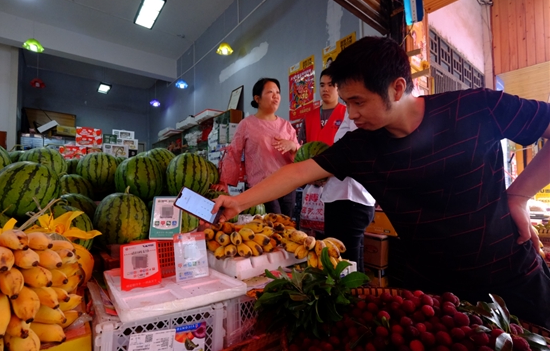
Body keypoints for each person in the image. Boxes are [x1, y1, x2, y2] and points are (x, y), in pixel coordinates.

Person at [212, 36, 550, 328]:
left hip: (509, 278)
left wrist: (518, 195)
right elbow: (299, 171)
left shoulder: (475, 108)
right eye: (347, 103)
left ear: (397, 87)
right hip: (434, 292)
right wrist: (239, 202)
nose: (352, 114)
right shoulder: (363, 145)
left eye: (359, 102)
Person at [299, 69, 376, 272]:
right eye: (322, 85)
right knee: (343, 257)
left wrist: (319, 172)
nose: (327, 89)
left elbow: (349, 159)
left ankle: (349, 298)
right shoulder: (336, 116)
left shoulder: (357, 116)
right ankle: (350, 296)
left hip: (350, 199)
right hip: (337, 197)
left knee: (343, 261)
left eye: (332, 85)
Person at [215, 77, 300, 217]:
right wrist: (223, 182)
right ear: (257, 98)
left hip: (287, 186)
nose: (276, 96)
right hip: (261, 187)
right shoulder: (246, 124)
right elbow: (233, 154)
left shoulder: (287, 126)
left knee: (288, 228)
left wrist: (293, 146)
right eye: (270, 92)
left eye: (278, 92)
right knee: (270, 228)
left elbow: (299, 158)